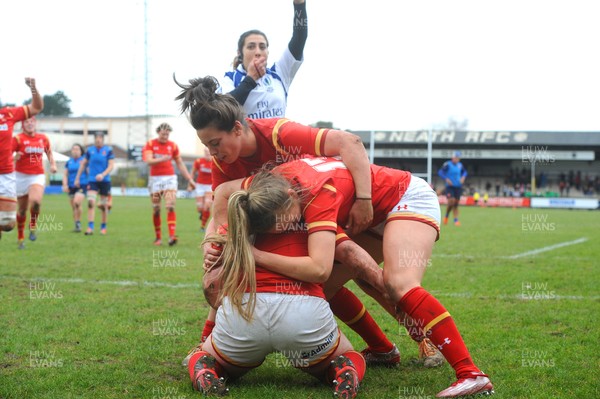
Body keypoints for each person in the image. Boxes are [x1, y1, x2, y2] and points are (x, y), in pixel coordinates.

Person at [175, 76, 413, 369]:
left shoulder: (278, 132)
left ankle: (422, 335)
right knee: (312, 286)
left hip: (323, 207)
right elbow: (221, 205)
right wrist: (213, 247)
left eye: (215, 143)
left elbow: (349, 142)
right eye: (206, 145)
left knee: (358, 267)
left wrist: (364, 200)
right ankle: (383, 348)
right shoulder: (223, 162)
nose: (213, 152)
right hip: (281, 220)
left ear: (237, 128)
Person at [218, 156, 494, 398]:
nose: (287, 227)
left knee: (399, 284)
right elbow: (222, 192)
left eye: (285, 220)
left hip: (405, 197)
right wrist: (213, 242)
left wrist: (404, 312)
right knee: (325, 288)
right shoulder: (267, 188)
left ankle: (471, 373)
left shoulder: (316, 193)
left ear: (291, 195)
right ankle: (383, 349)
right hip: (375, 212)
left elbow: (341, 257)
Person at [190, 229, 366, 398]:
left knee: (208, 359)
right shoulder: (314, 212)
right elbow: (346, 254)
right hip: (303, 311)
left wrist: (211, 245)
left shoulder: (238, 215)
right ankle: (344, 370)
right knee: (347, 355)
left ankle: (205, 369)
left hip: (244, 311)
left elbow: (212, 282)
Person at [219, 0, 307, 119]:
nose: (258, 52)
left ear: (268, 51)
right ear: (240, 53)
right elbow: (223, 111)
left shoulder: (279, 72)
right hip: (248, 138)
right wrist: (250, 79)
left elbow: (299, 37)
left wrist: (299, 4)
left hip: (277, 137)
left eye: (262, 47)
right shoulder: (230, 79)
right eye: (251, 47)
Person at [0, 77, 43, 239]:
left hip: (5, 175)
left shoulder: (7, 114)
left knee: (7, 224)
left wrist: (33, 87)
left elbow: (37, 107)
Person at [142, 122, 196, 246]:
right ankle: (158, 238)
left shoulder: (173, 146)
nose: (165, 136)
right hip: (155, 180)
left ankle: (172, 237)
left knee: (170, 205)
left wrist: (189, 179)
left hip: (169, 179)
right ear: (158, 132)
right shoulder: (150, 144)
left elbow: (180, 164)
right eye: (163, 134)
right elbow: (148, 161)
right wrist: (162, 159)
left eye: (167, 134)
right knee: (156, 209)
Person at [12, 116, 57, 249]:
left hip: (37, 175)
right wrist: (15, 157)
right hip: (20, 176)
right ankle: (20, 238)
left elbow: (49, 152)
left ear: (35, 123)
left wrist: (53, 165)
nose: (30, 123)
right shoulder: (17, 139)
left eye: (32, 121)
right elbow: (7, 155)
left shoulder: (43, 138)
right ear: (22, 125)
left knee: (36, 202)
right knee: (22, 210)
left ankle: (32, 226)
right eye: (27, 121)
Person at [74, 132, 114, 235]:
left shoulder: (108, 151)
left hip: (105, 181)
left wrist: (103, 174)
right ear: (94, 139)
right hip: (92, 180)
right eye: (96, 138)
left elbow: (111, 166)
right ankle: (90, 227)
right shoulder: (89, 151)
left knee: (103, 205)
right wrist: (77, 178)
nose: (98, 140)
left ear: (103, 139)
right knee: (91, 202)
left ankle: (103, 227)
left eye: (100, 138)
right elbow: (83, 164)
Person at [62, 144, 88, 232]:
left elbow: (89, 172)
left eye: (77, 149)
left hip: (82, 184)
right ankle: (77, 224)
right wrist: (65, 185)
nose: (75, 151)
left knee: (77, 202)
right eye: (73, 149)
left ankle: (78, 223)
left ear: (81, 151)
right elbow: (65, 174)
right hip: (71, 186)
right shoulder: (69, 162)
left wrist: (90, 183)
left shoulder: (84, 161)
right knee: (74, 206)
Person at [438, 151, 467, 226]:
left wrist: (463, 177)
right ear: (453, 157)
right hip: (449, 186)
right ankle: (446, 216)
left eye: (458, 158)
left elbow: (465, 172)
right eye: (456, 157)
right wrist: (446, 179)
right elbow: (440, 172)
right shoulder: (447, 164)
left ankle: (456, 220)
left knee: (456, 204)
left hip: (458, 186)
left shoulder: (460, 165)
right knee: (451, 201)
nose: (457, 159)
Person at [189, 147, 213, 232]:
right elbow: (192, 172)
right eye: (206, 152)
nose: (207, 153)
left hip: (210, 186)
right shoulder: (199, 161)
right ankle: (201, 213)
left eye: (209, 152)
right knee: (200, 207)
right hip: (199, 186)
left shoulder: (214, 161)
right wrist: (190, 184)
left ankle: (202, 226)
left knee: (207, 205)